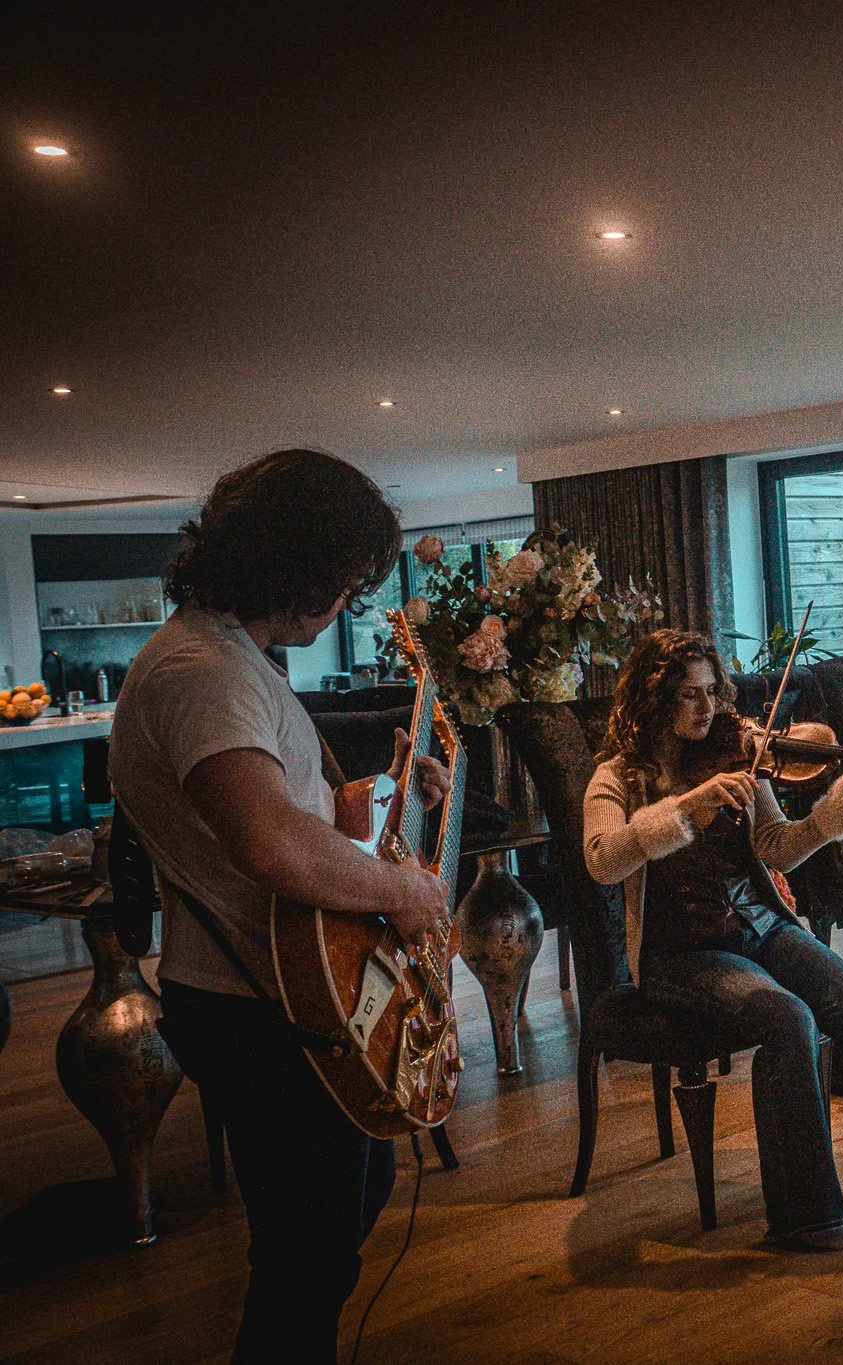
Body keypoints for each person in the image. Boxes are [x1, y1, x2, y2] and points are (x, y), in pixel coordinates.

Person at [109, 448, 453, 1363]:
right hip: (252, 1004)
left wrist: (381, 794)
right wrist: (406, 890)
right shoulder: (201, 671)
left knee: (350, 1194)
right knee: (305, 1255)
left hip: (285, 992)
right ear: (296, 564)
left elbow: (300, 816)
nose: (347, 597)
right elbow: (265, 844)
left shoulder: (232, 657)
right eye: (343, 578)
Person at [583, 629, 843, 1250]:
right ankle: (805, 1219)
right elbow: (602, 860)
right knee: (789, 1020)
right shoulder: (619, 776)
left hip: (759, 926)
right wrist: (685, 807)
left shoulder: (737, 755)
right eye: (689, 695)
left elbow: (779, 848)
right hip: (680, 952)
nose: (707, 708)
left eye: (713, 692)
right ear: (654, 700)